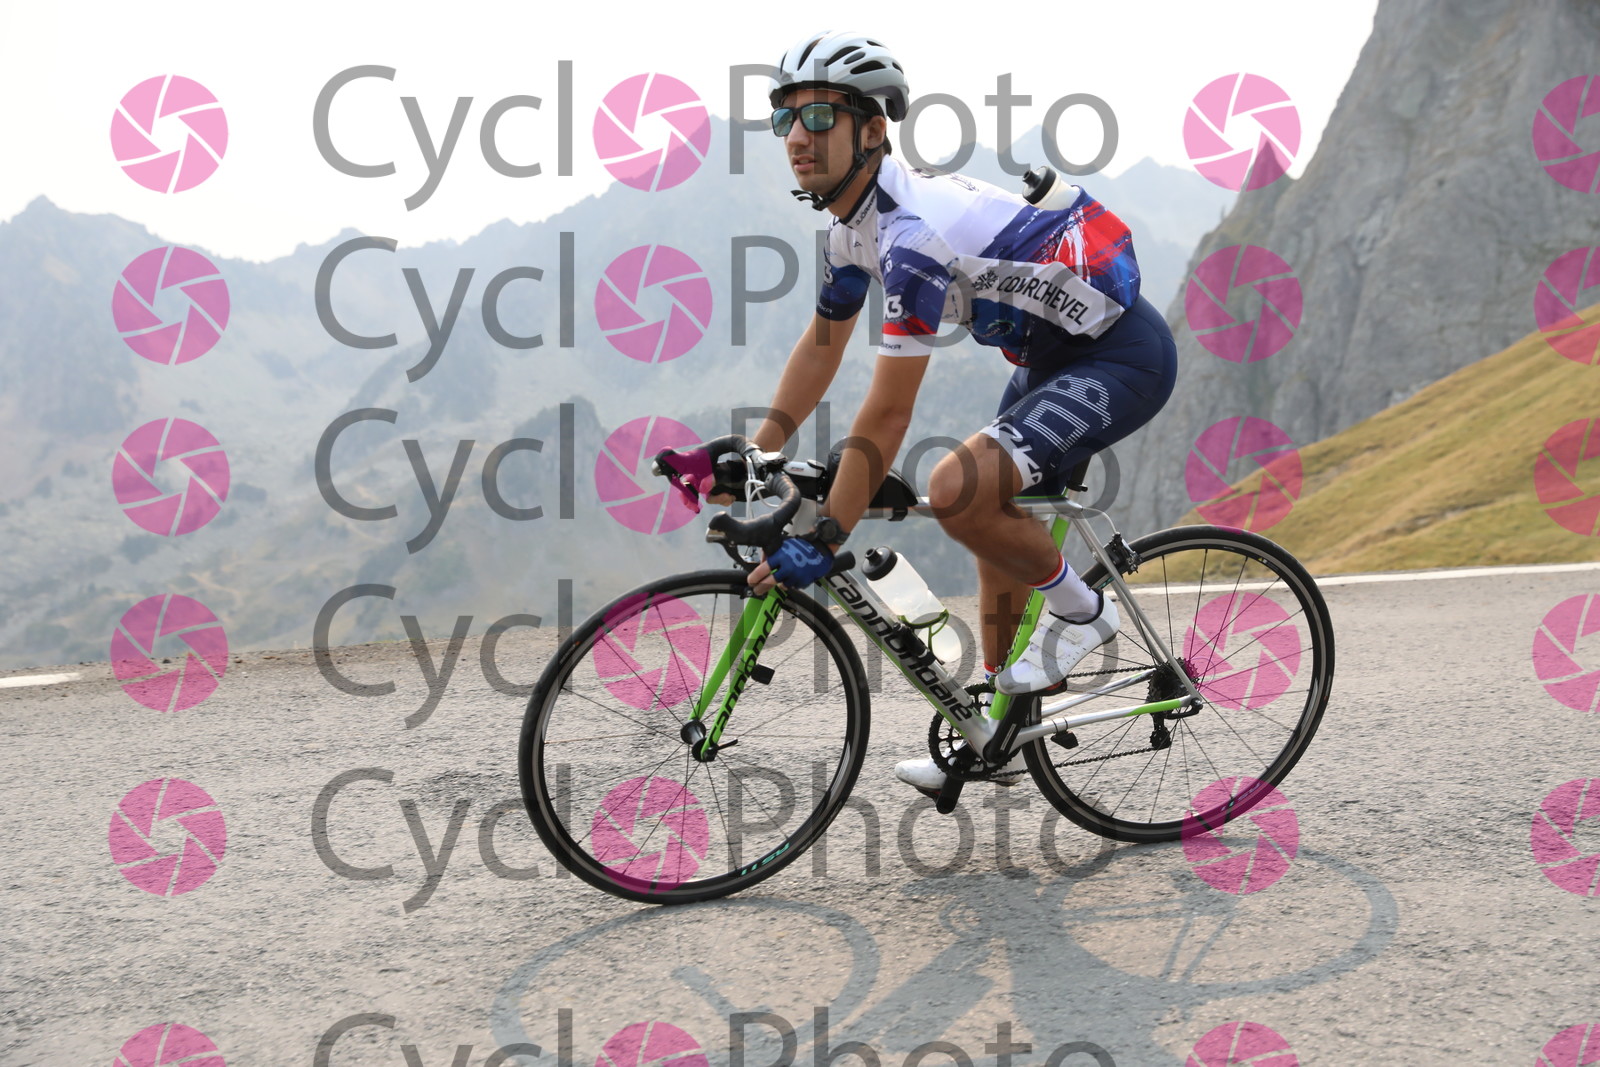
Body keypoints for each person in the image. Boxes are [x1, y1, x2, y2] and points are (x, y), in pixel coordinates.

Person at [705, 30, 1177, 795]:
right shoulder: (850, 229)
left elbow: (890, 411)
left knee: (960, 489)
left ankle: (1085, 613)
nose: (796, 136)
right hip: (1047, 360)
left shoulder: (909, 239)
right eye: (785, 118)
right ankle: (997, 730)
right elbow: (821, 349)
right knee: (989, 517)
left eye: (818, 116)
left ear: (872, 129)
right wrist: (757, 455)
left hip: (1120, 356)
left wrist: (829, 534)